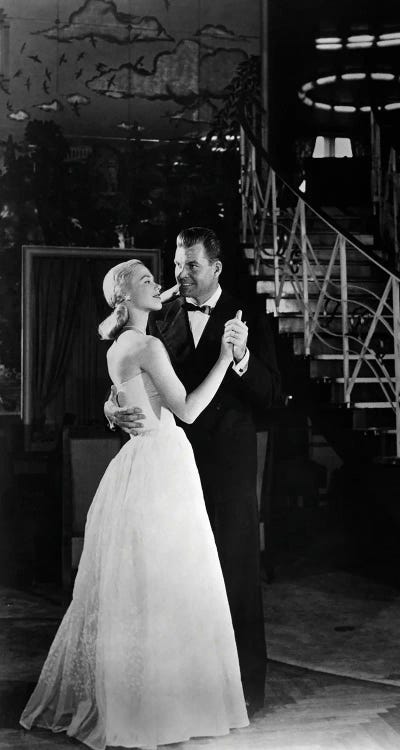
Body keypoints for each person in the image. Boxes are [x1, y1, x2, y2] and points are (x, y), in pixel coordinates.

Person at [20, 259, 249, 750]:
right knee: (170, 582)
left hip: (139, 462)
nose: (157, 282)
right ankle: (163, 708)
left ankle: (148, 701)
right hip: (162, 461)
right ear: (125, 297)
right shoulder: (145, 343)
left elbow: (128, 393)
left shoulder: (123, 343)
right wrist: (227, 360)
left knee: (151, 584)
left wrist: (110, 405)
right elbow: (186, 409)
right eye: (146, 279)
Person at [107, 227, 281, 713]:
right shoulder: (160, 317)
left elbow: (272, 395)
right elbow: (134, 374)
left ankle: (245, 691)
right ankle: (188, 693)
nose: (180, 275)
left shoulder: (250, 316)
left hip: (228, 465)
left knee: (235, 571)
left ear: (217, 269)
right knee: (178, 577)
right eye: (178, 265)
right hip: (172, 467)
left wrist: (241, 356)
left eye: (192, 267)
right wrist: (111, 406)